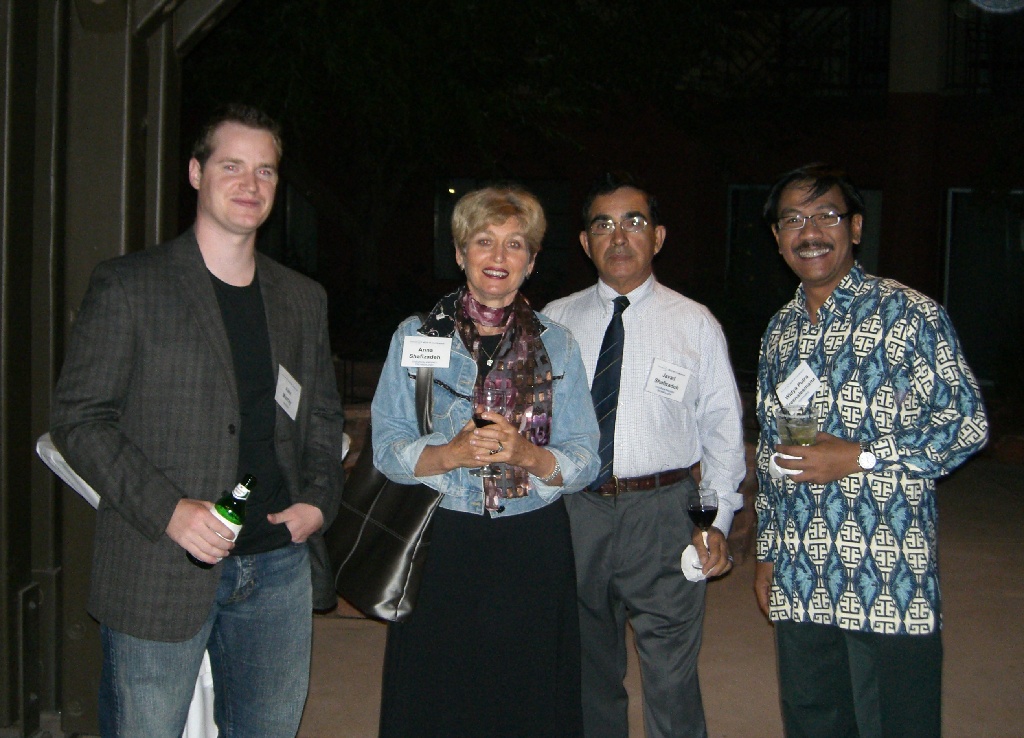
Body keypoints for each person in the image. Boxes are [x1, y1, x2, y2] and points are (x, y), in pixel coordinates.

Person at [49, 104, 345, 737]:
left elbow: (321, 412)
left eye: (265, 171)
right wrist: (170, 511)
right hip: (159, 564)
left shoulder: (301, 298)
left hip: (277, 567)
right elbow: (79, 419)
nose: (250, 184)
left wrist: (319, 500)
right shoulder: (130, 286)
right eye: (232, 166)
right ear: (195, 172)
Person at [754, 163, 989, 737]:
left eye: (826, 216)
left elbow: (967, 423)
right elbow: (770, 452)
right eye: (793, 219)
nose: (810, 232)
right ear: (778, 238)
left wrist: (861, 456)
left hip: (886, 576)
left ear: (855, 228)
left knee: (895, 723)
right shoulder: (779, 331)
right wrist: (767, 553)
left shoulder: (909, 314)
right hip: (801, 574)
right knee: (813, 720)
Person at [371, 185, 599, 737]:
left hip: (531, 543)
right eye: (483, 241)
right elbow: (385, 447)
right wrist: (448, 455)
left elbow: (586, 458)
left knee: (525, 695)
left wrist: (530, 455)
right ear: (460, 253)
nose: (499, 256)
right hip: (442, 540)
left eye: (515, 243)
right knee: (439, 696)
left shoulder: (559, 344)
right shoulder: (416, 336)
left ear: (532, 261)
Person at [544, 172, 746, 738]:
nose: (618, 237)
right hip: (576, 512)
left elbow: (722, 431)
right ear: (585, 243)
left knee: (672, 679)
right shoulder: (555, 321)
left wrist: (716, 520)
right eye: (602, 225)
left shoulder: (694, 323)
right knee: (587, 671)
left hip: (664, 513)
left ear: (657, 237)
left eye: (633, 222)